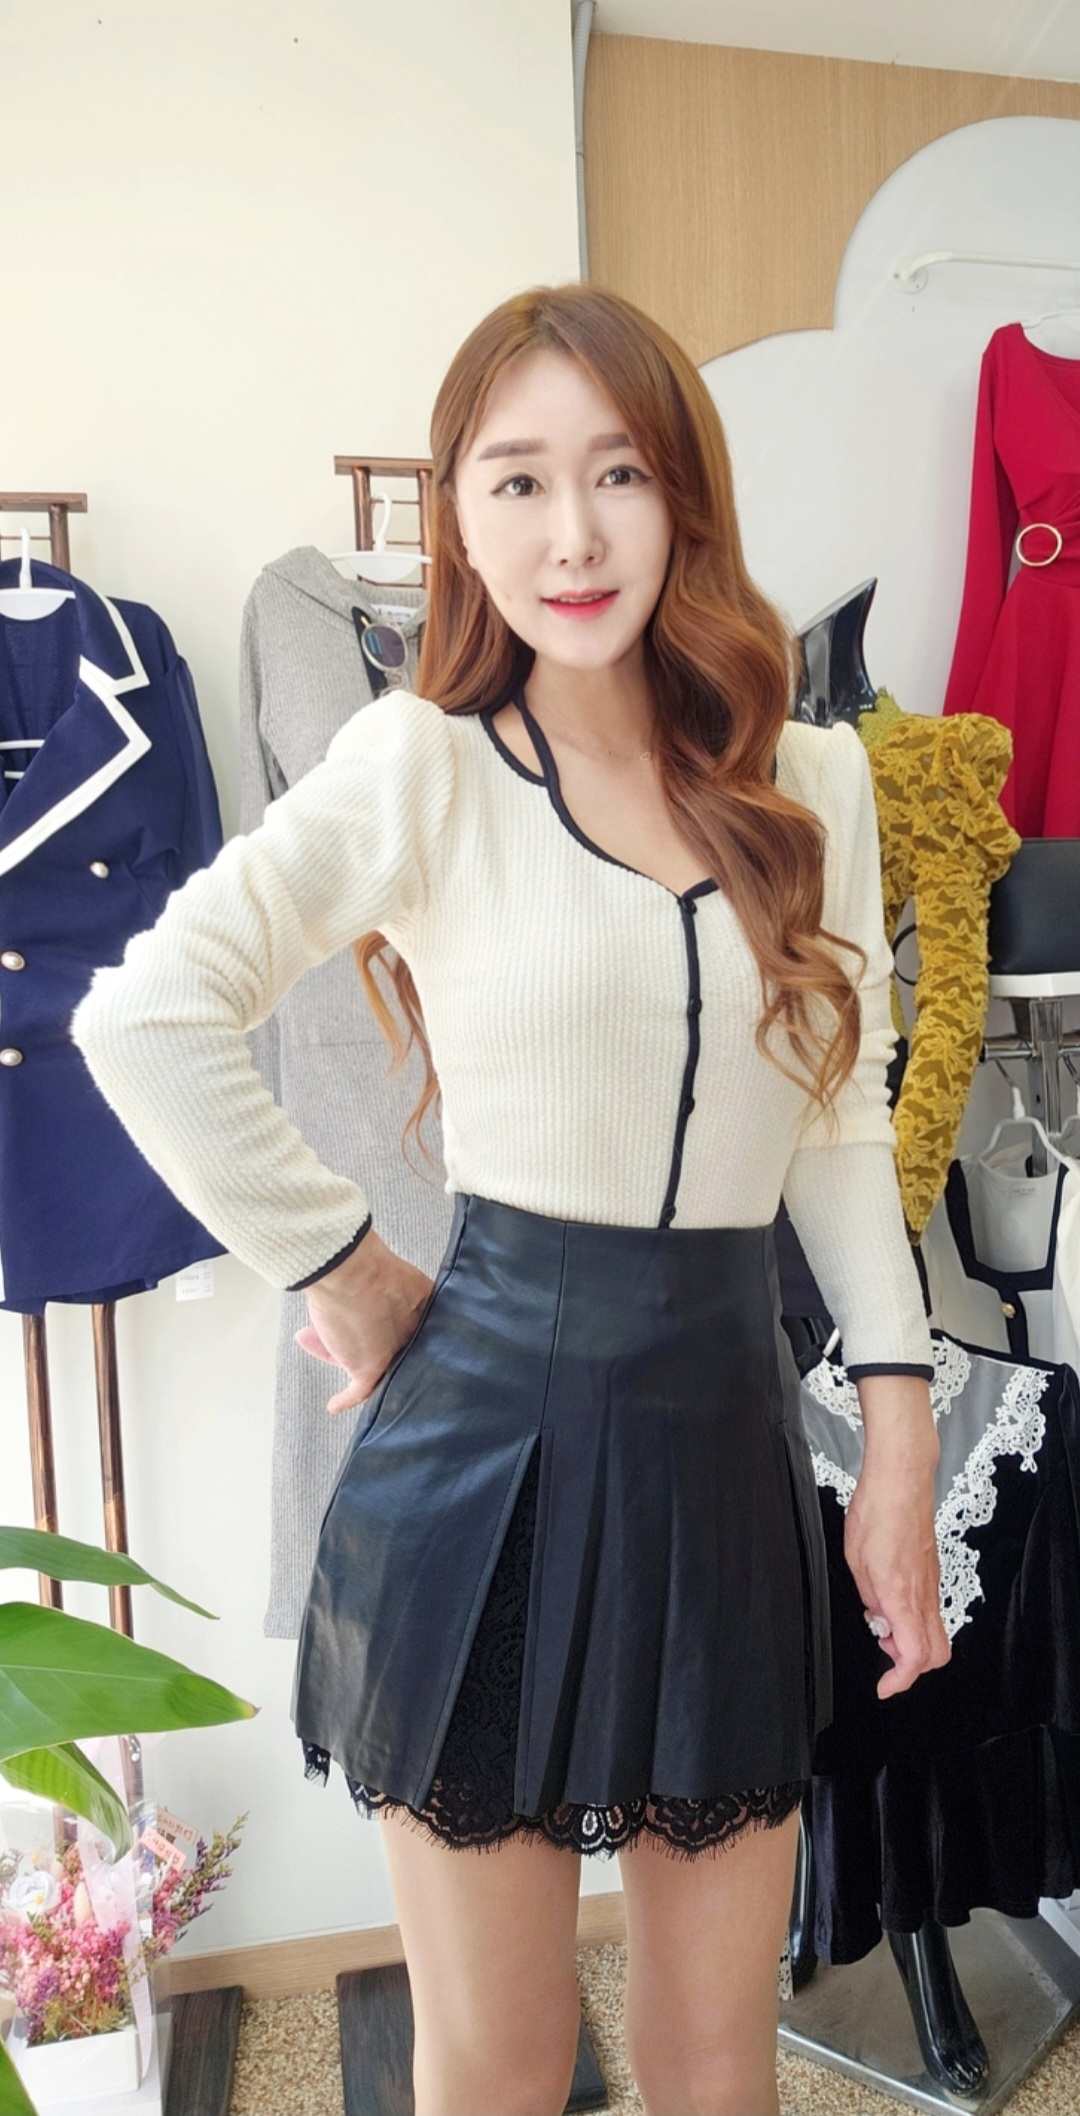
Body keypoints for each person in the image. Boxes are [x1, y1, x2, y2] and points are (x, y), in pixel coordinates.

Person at [72, 284, 949, 2116]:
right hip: (483, 1470)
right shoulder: (424, 764)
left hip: (726, 1446)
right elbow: (145, 1014)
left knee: (718, 2060)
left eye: (618, 473)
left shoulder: (810, 780)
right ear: (458, 519)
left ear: (685, 495)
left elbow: (838, 1123)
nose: (573, 536)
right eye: (518, 481)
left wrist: (896, 1425)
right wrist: (346, 1267)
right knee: (504, 2060)